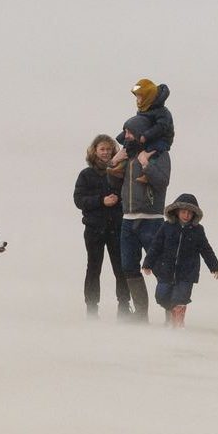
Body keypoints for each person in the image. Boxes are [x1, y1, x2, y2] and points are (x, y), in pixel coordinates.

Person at [110, 114, 171, 323]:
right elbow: (114, 183)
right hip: (127, 219)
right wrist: (113, 163)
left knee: (159, 267)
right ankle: (141, 314)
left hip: (151, 219)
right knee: (128, 267)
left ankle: (170, 312)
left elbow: (162, 182)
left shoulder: (158, 154)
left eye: (129, 132)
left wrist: (146, 164)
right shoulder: (128, 154)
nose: (125, 136)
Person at [141, 193, 218, 329]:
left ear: (194, 215)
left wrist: (214, 266)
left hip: (187, 272)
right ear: (176, 211)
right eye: (183, 212)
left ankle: (178, 322)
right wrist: (147, 264)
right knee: (161, 296)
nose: (186, 215)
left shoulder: (198, 230)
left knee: (180, 297)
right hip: (166, 270)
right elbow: (155, 246)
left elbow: (206, 249)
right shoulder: (167, 226)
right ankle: (170, 312)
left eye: (190, 213)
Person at [73, 134, 128, 319]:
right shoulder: (86, 174)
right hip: (94, 229)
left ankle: (124, 307)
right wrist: (101, 200)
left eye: (109, 149)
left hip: (117, 228)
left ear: (114, 151)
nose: (105, 152)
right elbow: (79, 200)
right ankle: (91, 309)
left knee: (120, 267)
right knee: (94, 267)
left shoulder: (121, 171)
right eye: (102, 149)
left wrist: (117, 201)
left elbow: (128, 196)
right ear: (94, 151)